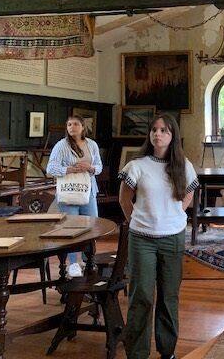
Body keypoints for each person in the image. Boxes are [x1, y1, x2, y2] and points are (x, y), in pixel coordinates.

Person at [118, 113, 198, 359]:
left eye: (164, 130)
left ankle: (168, 351)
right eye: (154, 129)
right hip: (142, 238)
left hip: (172, 237)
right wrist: (138, 220)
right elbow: (124, 199)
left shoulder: (184, 165)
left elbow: (189, 195)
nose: (158, 134)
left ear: (172, 135)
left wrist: (173, 214)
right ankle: (138, 353)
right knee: (141, 295)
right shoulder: (137, 165)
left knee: (169, 296)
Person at [47, 114, 103, 279]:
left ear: (83, 127)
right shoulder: (61, 145)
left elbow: (99, 166)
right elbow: (50, 168)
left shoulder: (92, 145)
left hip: (88, 190)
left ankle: (89, 259)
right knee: (71, 227)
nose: (72, 127)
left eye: (76, 124)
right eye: (69, 124)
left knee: (91, 224)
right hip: (69, 191)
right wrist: (68, 170)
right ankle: (72, 263)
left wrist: (90, 167)